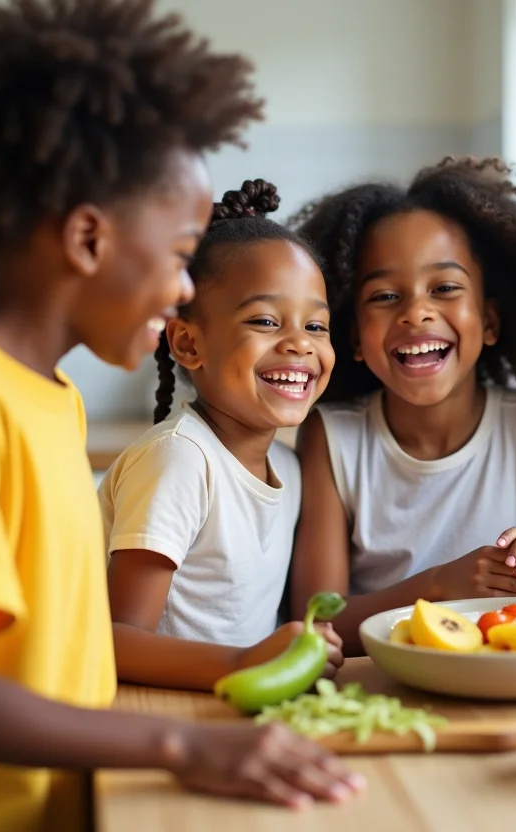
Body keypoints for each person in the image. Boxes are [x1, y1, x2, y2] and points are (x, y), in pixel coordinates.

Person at [0, 2, 361, 828]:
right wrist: (180, 745)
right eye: (180, 255)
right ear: (86, 238)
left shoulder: (47, 398)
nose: (184, 288)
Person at [289, 157, 516, 652]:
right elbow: (315, 623)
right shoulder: (331, 437)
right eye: (386, 295)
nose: (416, 311)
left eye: (445, 288)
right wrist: (437, 587)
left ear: (491, 320)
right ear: (352, 336)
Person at [99, 179, 343, 692]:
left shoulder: (292, 470)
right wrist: (246, 662)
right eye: (265, 321)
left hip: (232, 711)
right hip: (162, 718)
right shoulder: (180, 461)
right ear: (188, 343)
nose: (299, 344)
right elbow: (113, 640)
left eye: (317, 327)